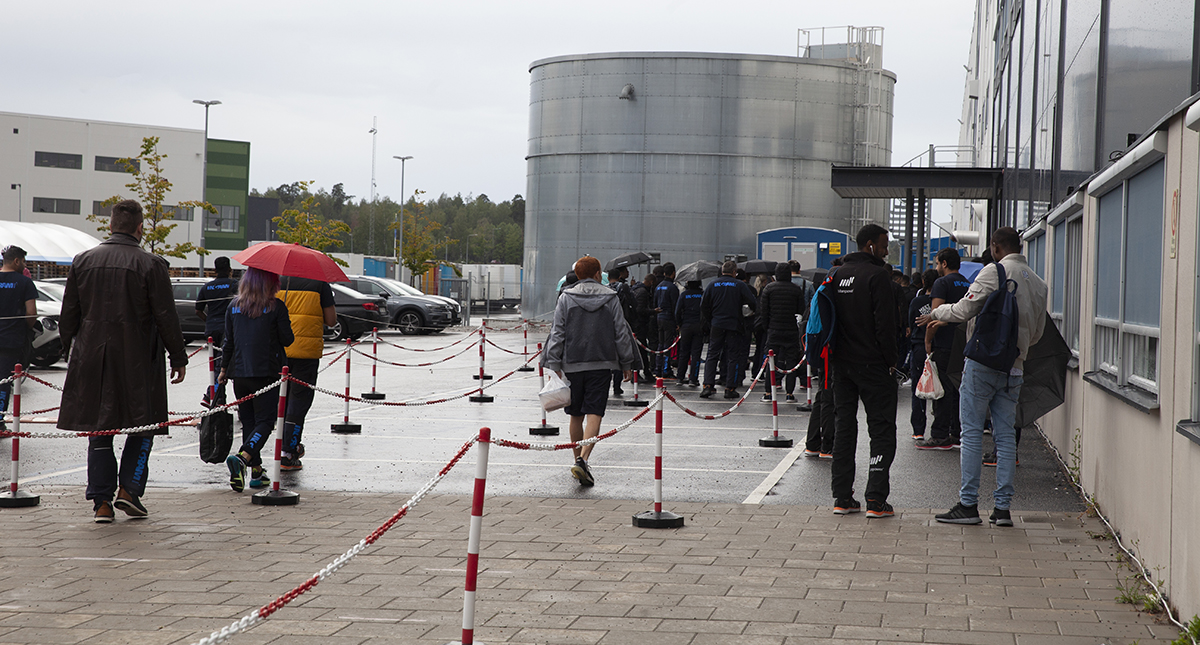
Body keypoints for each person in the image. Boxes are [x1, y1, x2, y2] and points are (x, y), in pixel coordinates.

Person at [58, 199, 188, 523]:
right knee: (143, 424)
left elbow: (68, 315)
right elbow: (166, 317)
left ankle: (101, 502)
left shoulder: (83, 261)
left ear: (111, 225)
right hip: (138, 359)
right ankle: (129, 491)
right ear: (140, 228)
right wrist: (178, 356)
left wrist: (67, 351)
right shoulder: (152, 264)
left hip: (91, 356)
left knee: (99, 428)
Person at [924, 227, 1047, 527]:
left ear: (994, 247)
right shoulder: (1039, 283)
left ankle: (968, 505)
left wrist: (936, 314)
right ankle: (1002, 510)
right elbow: (1038, 334)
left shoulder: (996, 271)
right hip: (1015, 367)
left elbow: (965, 309)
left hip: (982, 364)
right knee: (1005, 437)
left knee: (971, 433)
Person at [542, 256, 641, 487]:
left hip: (572, 364)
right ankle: (584, 460)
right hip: (602, 364)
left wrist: (554, 363)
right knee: (595, 412)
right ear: (598, 273)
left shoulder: (565, 297)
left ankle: (577, 459)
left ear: (577, 275)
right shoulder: (611, 297)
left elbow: (557, 333)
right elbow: (621, 331)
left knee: (575, 415)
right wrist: (626, 362)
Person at [828, 224, 898, 519]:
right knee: (881, 428)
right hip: (873, 365)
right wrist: (891, 360)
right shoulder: (878, 276)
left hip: (840, 365)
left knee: (844, 427)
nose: (886, 250)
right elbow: (885, 325)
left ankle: (842, 498)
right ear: (869, 244)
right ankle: (875, 500)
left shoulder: (834, 274)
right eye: (883, 245)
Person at [219, 268, 294, 492]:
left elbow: (228, 342)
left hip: (239, 373)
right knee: (266, 421)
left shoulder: (233, 307)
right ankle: (243, 458)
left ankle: (256, 473)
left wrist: (223, 370)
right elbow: (287, 339)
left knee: (249, 421)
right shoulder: (275, 307)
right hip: (267, 373)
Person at [277, 275, 337, 471]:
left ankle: (281, 447)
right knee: (299, 402)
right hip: (306, 352)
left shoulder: (279, 281)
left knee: (281, 401)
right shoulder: (320, 284)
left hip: (279, 350)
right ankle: (288, 451)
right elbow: (331, 320)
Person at [916, 247, 972, 450]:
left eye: (937, 263)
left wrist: (928, 343)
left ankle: (940, 435)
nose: (936, 267)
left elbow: (935, 316)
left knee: (942, 391)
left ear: (944, 264)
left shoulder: (941, 283)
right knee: (959, 389)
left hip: (944, 345)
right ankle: (957, 434)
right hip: (963, 344)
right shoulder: (968, 283)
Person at [699, 261, 757, 400]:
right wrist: (747, 314)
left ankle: (707, 386)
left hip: (717, 324)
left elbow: (703, 305)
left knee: (712, 354)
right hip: (733, 325)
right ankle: (730, 388)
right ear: (734, 272)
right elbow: (753, 302)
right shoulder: (740, 285)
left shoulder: (712, 284)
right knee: (733, 356)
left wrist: (711, 319)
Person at [0, 246, 37, 432]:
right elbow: (31, 313)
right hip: (11, 341)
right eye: (23, 261)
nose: (24, 265)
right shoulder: (24, 283)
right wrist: (28, 327)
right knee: (4, 382)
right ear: (16, 261)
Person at [758, 264, 806, 402]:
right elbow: (800, 310)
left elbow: (764, 311)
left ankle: (768, 392)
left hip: (774, 330)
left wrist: (768, 327)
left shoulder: (769, 289)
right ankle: (789, 394)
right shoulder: (796, 290)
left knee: (771, 361)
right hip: (791, 330)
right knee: (791, 362)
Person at [196, 256, 238, 404]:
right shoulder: (234, 284)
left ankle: (218, 398)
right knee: (226, 364)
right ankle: (212, 395)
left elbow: (198, 310)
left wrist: (209, 321)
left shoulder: (207, 287)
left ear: (214, 270)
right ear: (229, 269)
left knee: (215, 365)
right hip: (228, 330)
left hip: (211, 329)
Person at [907, 269, 940, 440]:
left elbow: (911, 324)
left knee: (918, 390)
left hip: (919, 347)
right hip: (938, 348)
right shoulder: (942, 304)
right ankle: (940, 428)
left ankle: (918, 430)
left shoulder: (916, 302)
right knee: (941, 389)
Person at [607, 267, 635, 396]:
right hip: (621, 322)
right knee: (619, 355)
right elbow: (630, 304)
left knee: (607, 358)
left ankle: (606, 385)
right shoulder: (623, 287)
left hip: (606, 326)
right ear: (619, 276)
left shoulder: (605, 288)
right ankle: (617, 387)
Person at [674, 279, 704, 386]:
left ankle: (680, 377)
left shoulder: (684, 295)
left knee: (683, 353)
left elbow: (677, 311)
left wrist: (680, 324)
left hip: (686, 326)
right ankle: (693, 379)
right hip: (698, 326)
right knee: (696, 354)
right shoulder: (702, 295)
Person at [653, 262, 680, 379]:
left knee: (660, 344)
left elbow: (654, 304)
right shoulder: (673, 288)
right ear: (673, 273)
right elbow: (676, 306)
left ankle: (658, 369)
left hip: (659, 317)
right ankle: (666, 370)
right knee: (668, 345)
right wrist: (677, 322)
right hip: (669, 318)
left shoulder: (658, 286)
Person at [631, 274, 655, 382]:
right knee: (642, 349)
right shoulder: (643, 292)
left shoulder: (636, 289)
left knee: (640, 349)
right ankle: (639, 373)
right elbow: (640, 310)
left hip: (637, 324)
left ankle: (642, 372)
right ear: (651, 282)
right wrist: (653, 311)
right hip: (640, 325)